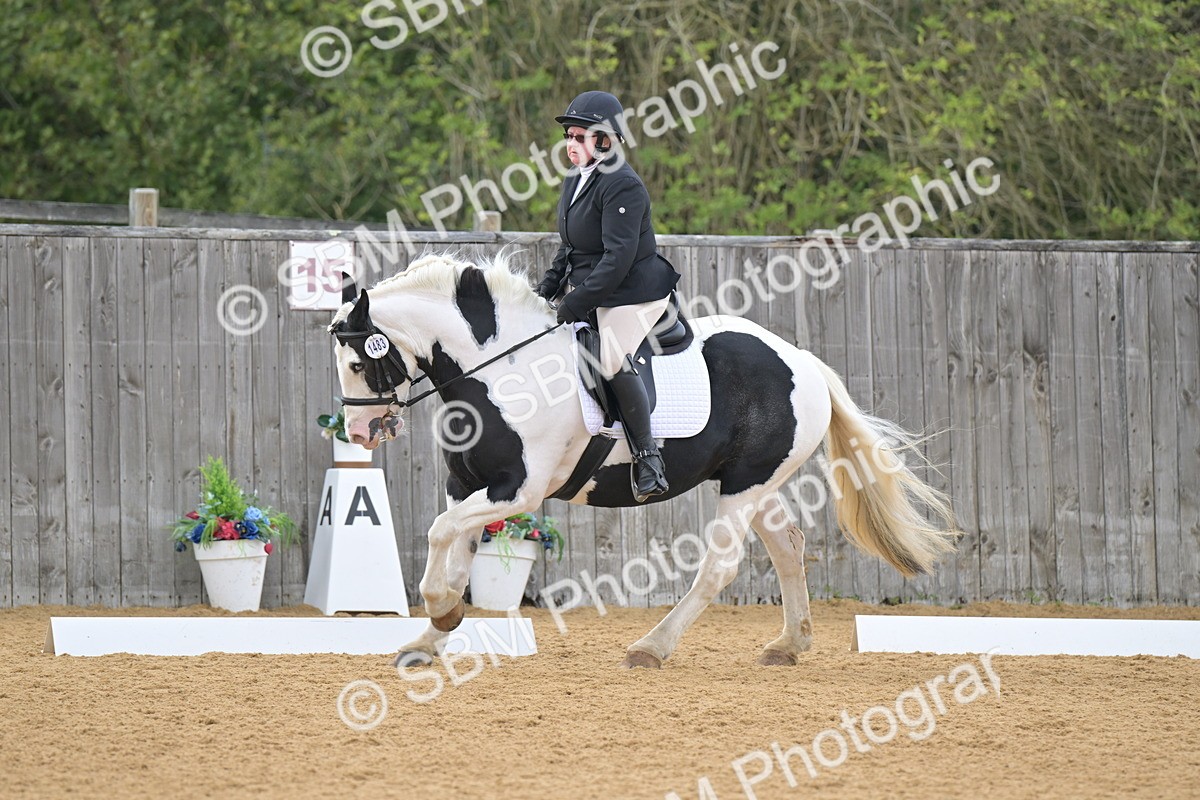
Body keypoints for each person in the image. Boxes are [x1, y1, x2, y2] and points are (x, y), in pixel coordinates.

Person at [536, 90, 680, 503]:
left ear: (605, 139)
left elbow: (617, 259)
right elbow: (569, 246)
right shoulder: (576, 179)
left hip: (633, 292)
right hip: (595, 289)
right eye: (570, 136)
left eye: (580, 137)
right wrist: (546, 289)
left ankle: (648, 458)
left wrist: (575, 302)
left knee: (611, 357)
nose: (571, 145)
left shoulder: (623, 185)